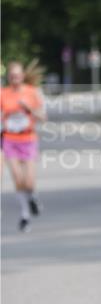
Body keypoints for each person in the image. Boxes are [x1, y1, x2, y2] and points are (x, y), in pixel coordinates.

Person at [1, 60, 46, 232]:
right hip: (10, 140)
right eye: (12, 77)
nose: (15, 79)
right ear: (9, 78)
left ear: (22, 77)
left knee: (29, 182)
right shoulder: (3, 94)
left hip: (28, 139)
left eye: (18, 76)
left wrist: (29, 109)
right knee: (18, 179)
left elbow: (43, 117)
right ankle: (25, 215)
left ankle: (32, 196)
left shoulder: (31, 93)